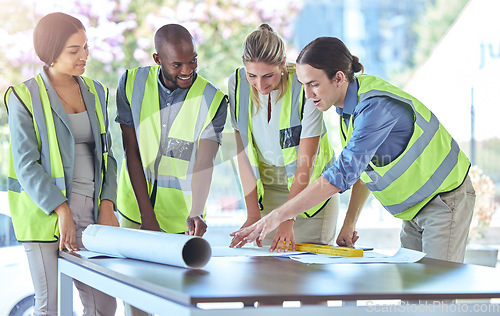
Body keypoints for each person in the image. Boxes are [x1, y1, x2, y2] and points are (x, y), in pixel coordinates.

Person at [232, 36, 476, 263]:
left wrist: (279, 215)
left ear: (338, 78)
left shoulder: (374, 108)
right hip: (414, 211)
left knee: (435, 300)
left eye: (314, 84)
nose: (307, 95)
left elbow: (340, 175)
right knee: (413, 296)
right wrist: (349, 223)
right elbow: (364, 168)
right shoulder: (348, 107)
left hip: (444, 201)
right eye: (303, 85)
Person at [4, 12, 118, 315]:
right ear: (51, 53)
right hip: (46, 216)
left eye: (86, 47)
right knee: (49, 307)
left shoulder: (96, 91)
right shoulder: (23, 96)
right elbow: (26, 164)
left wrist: (107, 203)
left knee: (103, 305)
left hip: (92, 212)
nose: (84, 56)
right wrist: (61, 209)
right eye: (74, 50)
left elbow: (109, 156)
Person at [114, 24, 227, 315]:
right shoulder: (130, 84)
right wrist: (146, 217)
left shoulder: (213, 100)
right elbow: (132, 152)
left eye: (193, 60)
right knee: (137, 305)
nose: (187, 69)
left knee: (175, 305)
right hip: (135, 215)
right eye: (177, 64)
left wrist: (197, 211)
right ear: (157, 59)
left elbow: (205, 163)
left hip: (181, 222)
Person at [228, 24, 339, 253]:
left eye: (268, 75)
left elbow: (305, 164)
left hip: (310, 196)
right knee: (267, 273)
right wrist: (252, 215)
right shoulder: (237, 84)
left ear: (282, 64)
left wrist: (288, 219)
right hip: (267, 191)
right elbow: (242, 153)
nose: (260, 85)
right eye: (252, 76)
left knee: (307, 274)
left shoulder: (304, 86)